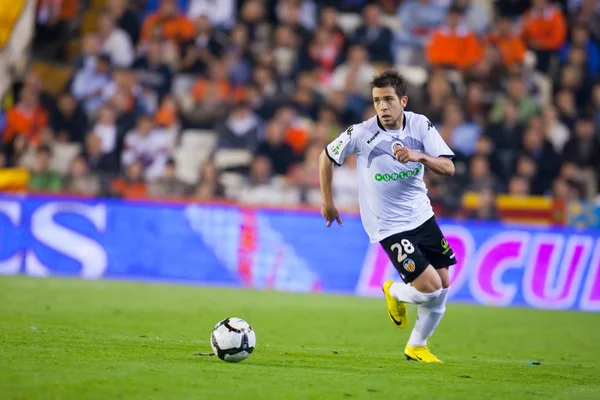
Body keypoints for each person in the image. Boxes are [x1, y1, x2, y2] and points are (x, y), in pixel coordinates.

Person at [318, 70, 456, 363]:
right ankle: (393, 290)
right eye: (377, 100)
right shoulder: (362, 132)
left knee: (444, 286)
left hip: (422, 215)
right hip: (388, 225)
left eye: (389, 99)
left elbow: (448, 168)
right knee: (430, 288)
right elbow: (326, 156)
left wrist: (421, 157)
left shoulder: (420, 125)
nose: (382, 106)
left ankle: (416, 346)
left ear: (403, 101)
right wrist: (328, 201)